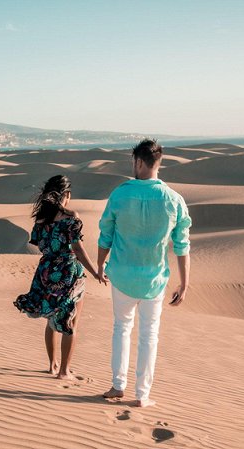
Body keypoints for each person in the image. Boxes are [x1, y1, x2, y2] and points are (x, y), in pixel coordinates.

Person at [97, 139, 192, 407]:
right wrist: (184, 284)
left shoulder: (120, 194)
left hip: (123, 277)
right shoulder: (173, 200)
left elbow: (106, 235)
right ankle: (142, 395)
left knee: (121, 328)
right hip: (154, 279)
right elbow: (183, 245)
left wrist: (99, 265)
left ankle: (118, 386)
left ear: (139, 162)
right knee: (149, 334)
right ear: (157, 163)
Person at [14, 175, 101, 380]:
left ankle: (52, 366)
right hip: (68, 272)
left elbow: (40, 244)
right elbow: (78, 249)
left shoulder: (41, 218)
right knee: (70, 322)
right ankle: (64, 371)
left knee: (51, 319)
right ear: (67, 195)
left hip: (46, 271)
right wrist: (95, 271)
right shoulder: (70, 216)